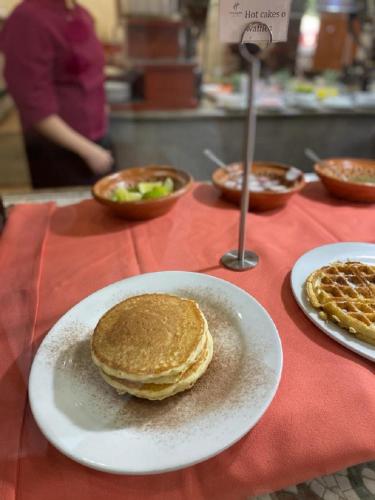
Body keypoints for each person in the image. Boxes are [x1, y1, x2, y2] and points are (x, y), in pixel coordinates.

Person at [0, 0, 115, 188]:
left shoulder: (79, 12)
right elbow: (33, 103)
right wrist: (88, 151)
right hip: (58, 150)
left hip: (97, 138)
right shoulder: (27, 18)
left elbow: (92, 73)